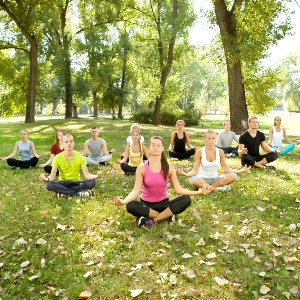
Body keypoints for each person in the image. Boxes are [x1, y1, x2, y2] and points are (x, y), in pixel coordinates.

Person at [113, 136, 212, 227]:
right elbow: (135, 191)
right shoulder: (141, 168)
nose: (156, 147)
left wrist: (198, 192)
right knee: (130, 205)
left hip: (164, 205)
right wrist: (124, 201)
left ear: (162, 148)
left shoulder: (169, 168)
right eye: (153, 145)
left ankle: (152, 221)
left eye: (158, 145)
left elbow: (179, 189)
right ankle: (166, 217)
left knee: (186, 199)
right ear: (149, 148)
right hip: (147, 206)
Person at [178, 129, 251, 191]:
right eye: (209, 138)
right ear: (205, 139)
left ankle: (208, 188)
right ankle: (217, 188)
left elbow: (226, 169)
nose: (211, 140)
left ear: (215, 139)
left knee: (233, 176)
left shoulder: (220, 151)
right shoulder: (199, 152)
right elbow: (195, 171)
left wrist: (241, 170)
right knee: (192, 179)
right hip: (201, 178)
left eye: (213, 138)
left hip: (215, 179)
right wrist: (186, 174)